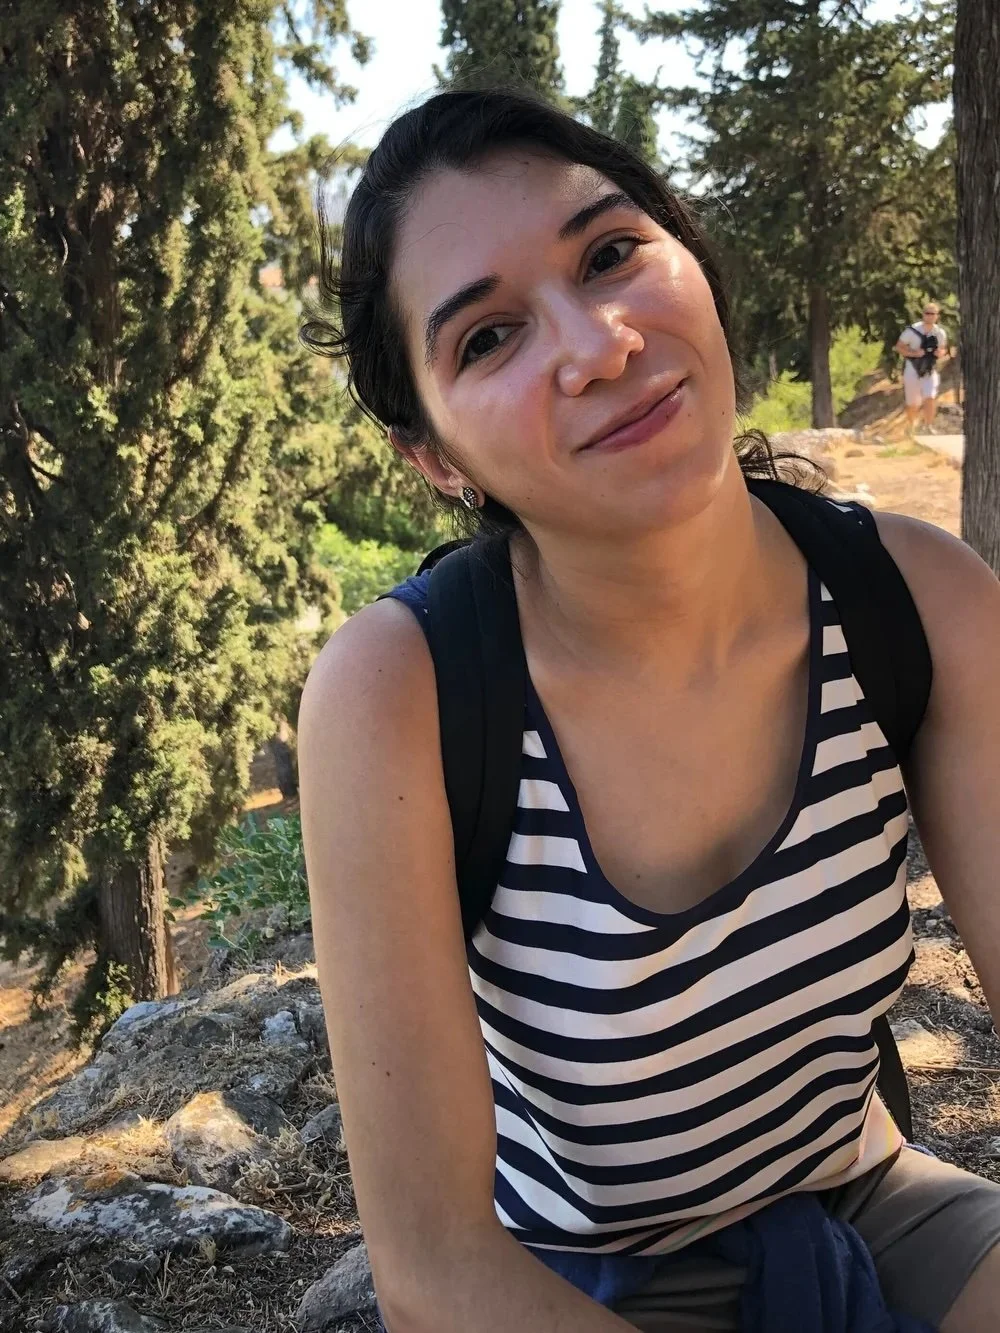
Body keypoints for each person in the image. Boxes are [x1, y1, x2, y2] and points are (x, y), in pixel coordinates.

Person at [297, 88, 1000, 1333]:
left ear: (688, 252)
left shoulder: (920, 601)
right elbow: (437, 1267)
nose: (599, 344)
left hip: (864, 1196)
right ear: (437, 458)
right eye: (489, 338)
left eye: (612, 253)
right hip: (562, 1275)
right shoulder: (402, 695)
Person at [895, 303, 949, 433]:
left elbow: (943, 348)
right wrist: (914, 353)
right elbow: (899, 347)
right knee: (913, 403)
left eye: (933, 314)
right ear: (923, 314)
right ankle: (911, 425)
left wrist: (940, 353)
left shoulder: (940, 333)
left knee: (930, 397)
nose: (930, 316)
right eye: (927, 313)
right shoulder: (912, 331)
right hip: (912, 368)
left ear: (937, 316)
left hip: (930, 368)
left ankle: (928, 426)